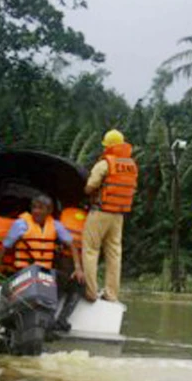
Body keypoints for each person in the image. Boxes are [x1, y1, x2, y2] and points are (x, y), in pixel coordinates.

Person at [0, 195, 85, 329]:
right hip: (24, 273)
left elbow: (71, 245)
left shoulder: (55, 225)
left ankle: (61, 320)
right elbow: (5, 247)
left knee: (78, 284)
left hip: (44, 274)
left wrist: (78, 268)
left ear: (49, 211)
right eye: (34, 207)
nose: (36, 211)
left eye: (40, 208)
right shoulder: (21, 224)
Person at [82, 129, 138, 303]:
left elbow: (91, 186)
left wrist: (85, 192)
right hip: (118, 215)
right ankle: (111, 294)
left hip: (100, 212)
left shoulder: (105, 163)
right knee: (114, 254)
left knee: (91, 250)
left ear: (107, 146)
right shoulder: (131, 165)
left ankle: (91, 291)